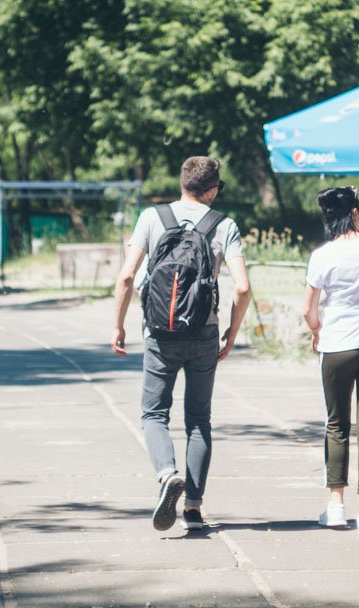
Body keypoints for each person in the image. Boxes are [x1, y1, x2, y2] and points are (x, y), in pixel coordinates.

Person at [112, 156, 251, 533]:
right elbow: (241, 287)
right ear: (211, 189)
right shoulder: (224, 225)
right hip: (203, 333)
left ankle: (166, 473)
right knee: (198, 419)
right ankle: (192, 507)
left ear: (182, 183)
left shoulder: (151, 218)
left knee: (154, 413)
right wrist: (232, 333)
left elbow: (126, 277)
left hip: (159, 332)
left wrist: (118, 326)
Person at [302, 186, 359, 538]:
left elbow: (309, 310)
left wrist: (316, 332)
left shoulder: (321, 256)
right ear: (355, 213)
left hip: (337, 345)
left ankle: (336, 507)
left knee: (336, 424)